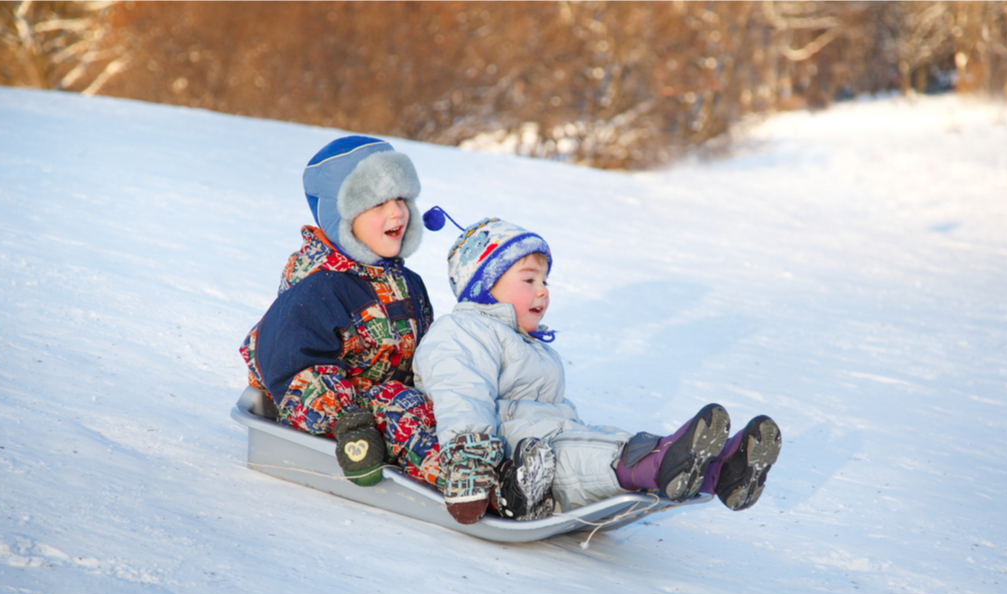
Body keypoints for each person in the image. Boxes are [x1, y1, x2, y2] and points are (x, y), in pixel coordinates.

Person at [412, 215, 782, 524]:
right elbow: (461, 396)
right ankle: (664, 462)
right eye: (529, 280)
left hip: (554, 435)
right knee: (590, 458)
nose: (542, 292)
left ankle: (720, 472)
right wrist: (471, 466)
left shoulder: (527, 342)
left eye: (545, 281)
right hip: (518, 459)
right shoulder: (460, 331)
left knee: (613, 440)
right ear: (484, 287)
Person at [240, 135, 445, 490]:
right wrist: (350, 423)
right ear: (341, 216)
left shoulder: (408, 281)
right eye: (378, 202)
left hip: (397, 400)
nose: (397, 211)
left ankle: (513, 458)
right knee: (403, 408)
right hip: (344, 418)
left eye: (401, 198)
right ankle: (474, 483)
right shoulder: (319, 287)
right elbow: (298, 365)